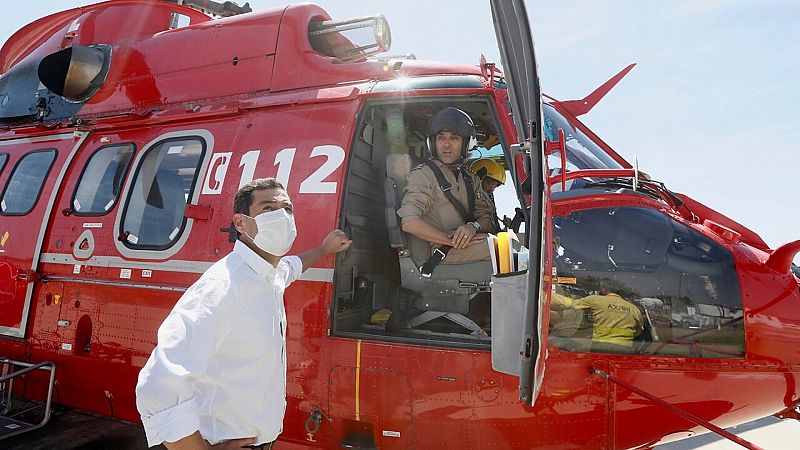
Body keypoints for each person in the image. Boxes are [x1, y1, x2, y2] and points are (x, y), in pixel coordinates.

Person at [136, 178, 351, 449]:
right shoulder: (224, 286)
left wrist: (324, 250)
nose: (281, 216)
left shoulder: (266, 274)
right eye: (268, 208)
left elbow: (290, 267)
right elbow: (158, 387)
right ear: (240, 223)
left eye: (287, 208)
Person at [397, 107, 493, 265]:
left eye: (454, 138)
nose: (446, 145)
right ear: (433, 143)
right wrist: (454, 241)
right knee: (506, 250)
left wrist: (473, 227)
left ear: (465, 144)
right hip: (441, 252)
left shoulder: (470, 179)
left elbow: (486, 218)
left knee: (512, 242)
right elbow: (409, 223)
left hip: (467, 245)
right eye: (441, 138)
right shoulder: (423, 175)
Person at [553, 284, 644, 353]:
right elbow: (638, 332)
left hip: (601, 347)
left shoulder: (596, 300)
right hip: (625, 350)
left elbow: (570, 304)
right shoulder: (634, 309)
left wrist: (546, 296)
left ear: (605, 289)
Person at [468, 158, 506, 233]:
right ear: (477, 179)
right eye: (489, 183)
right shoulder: (468, 200)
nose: (491, 189)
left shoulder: (488, 204)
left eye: (495, 186)